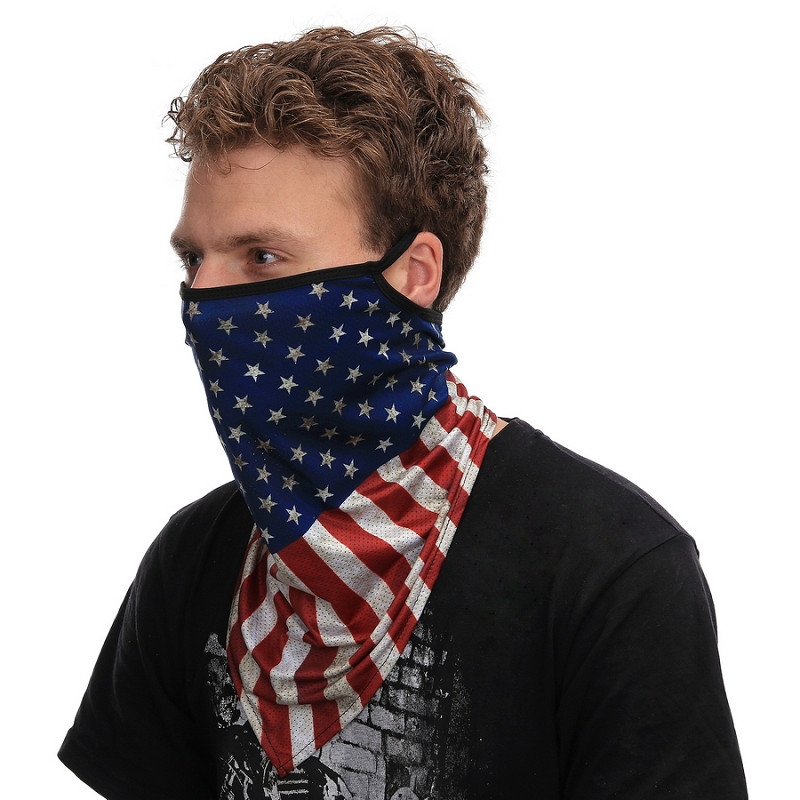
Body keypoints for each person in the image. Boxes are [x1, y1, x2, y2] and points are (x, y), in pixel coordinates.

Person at [59, 26, 747, 799]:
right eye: (194, 259)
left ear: (414, 273)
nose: (203, 299)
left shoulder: (611, 570)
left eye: (262, 257)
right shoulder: (194, 561)